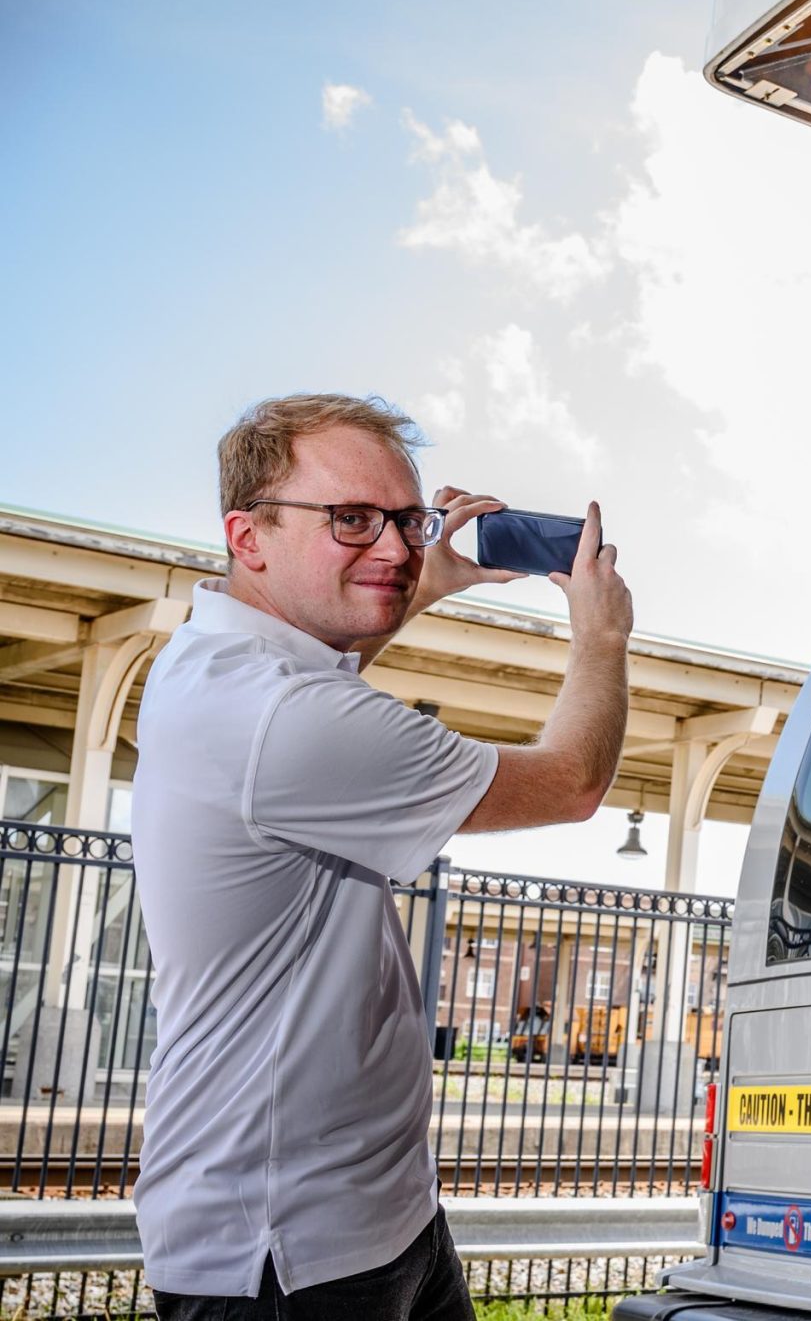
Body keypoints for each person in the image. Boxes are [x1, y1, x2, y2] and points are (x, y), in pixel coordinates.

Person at [131, 394, 633, 1319]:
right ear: (248, 536)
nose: (397, 548)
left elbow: (324, 672)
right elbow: (572, 782)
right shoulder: (279, 716)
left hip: (384, 1216)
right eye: (352, 519)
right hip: (286, 1255)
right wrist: (601, 636)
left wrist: (418, 585)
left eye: (409, 519)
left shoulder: (221, 660)